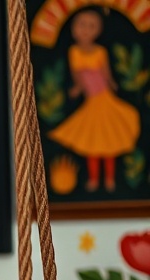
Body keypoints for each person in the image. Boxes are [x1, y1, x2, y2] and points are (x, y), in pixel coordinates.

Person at [48, 9, 139, 192]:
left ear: (98, 30)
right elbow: (77, 74)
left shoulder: (100, 51)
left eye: (91, 26)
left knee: (109, 141)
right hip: (92, 100)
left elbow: (105, 71)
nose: (86, 31)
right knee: (92, 143)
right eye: (82, 25)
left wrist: (112, 83)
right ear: (74, 30)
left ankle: (110, 179)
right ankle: (94, 179)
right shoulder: (74, 52)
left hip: (104, 97)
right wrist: (78, 87)